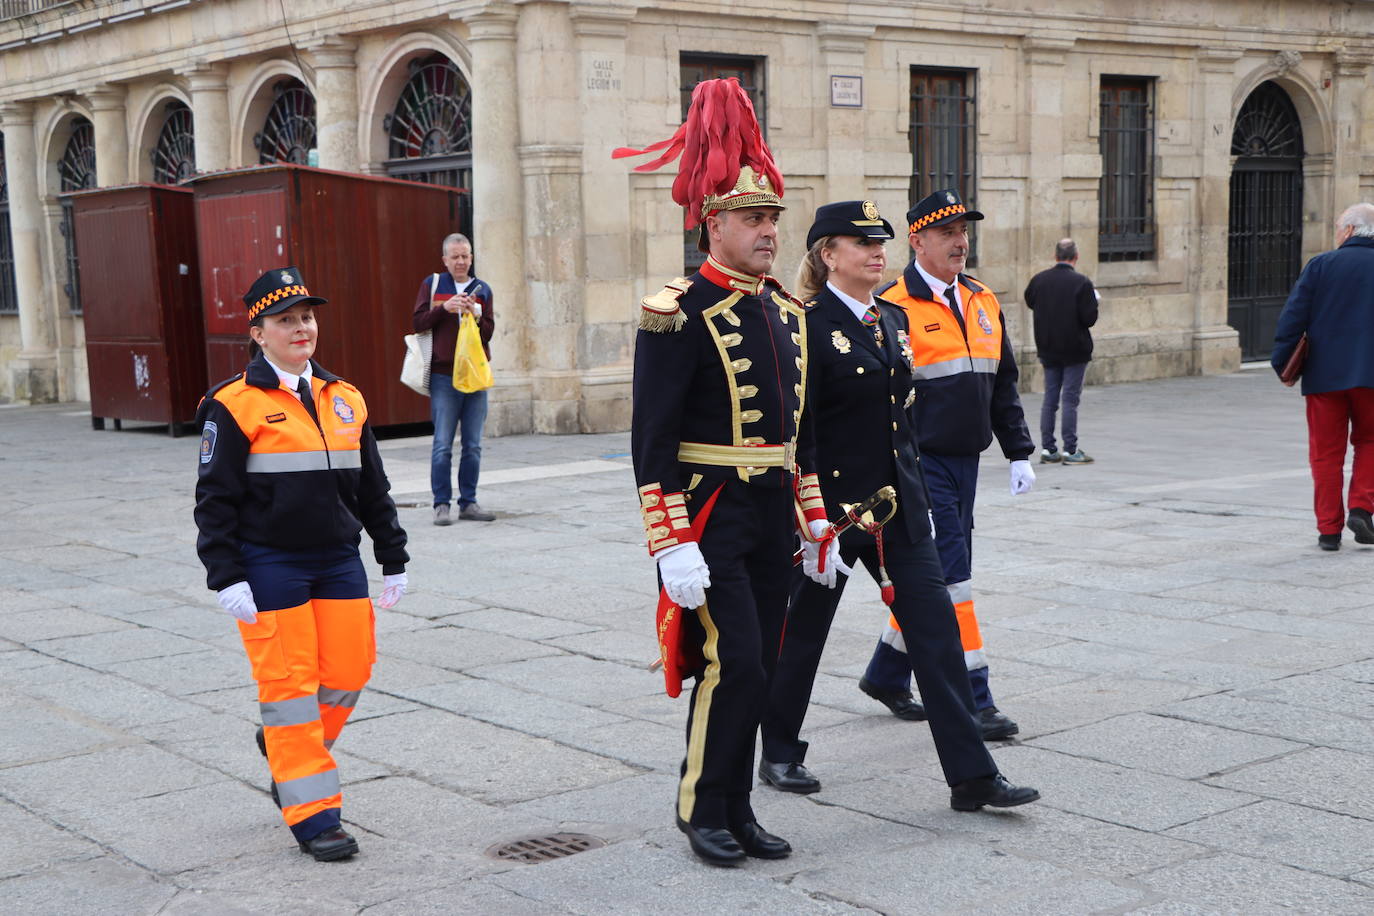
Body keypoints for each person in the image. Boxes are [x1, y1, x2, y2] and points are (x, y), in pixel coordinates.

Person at [615, 77, 840, 867]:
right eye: (753, 219)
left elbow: (800, 435)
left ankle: (739, 808)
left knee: (761, 666)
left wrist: (814, 522)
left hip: (773, 513)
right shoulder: (675, 311)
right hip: (710, 513)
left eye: (773, 219)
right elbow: (653, 438)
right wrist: (668, 541)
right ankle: (701, 807)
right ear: (713, 225)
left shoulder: (785, 311)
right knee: (732, 660)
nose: (768, 232)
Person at [757, 200, 1040, 813]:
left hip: (897, 512)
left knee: (936, 635)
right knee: (802, 634)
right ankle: (779, 749)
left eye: (880, 242)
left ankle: (972, 777)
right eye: (861, 244)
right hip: (831, 514)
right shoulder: (801, 324)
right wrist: (807, 521)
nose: (876, 252)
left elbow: (902, 422)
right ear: (828, 255)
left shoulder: (891, 319)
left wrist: (920, 499)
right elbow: (794, 430)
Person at [194, 267, 409, 862]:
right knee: (289, 689)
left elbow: (372, 489)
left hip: (338, 559)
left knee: (349, 670)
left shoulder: (345, 397)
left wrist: (393, 556)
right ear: (257, 333)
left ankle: (286, 748)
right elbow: (214, 501)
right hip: (270, 564)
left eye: (307, 317)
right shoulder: (232, 404)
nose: (301, 328)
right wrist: (226, 574)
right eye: (285, 320)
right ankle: (314, 815)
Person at [859, 189, 1036, 741]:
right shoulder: (892, 305)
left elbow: (1001, 381)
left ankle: (887, 674)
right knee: (953, 578)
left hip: (967, 462)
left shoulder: (983, 299)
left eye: (964, 231)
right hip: (918, 464)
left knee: (935, 579)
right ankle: (974, 698)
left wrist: (1019, 450)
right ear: (918, 241)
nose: (961, 242)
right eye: (948, 233)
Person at [1272, 202, 1374, 551]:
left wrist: (1282, 363)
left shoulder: (1322, 265)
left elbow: (1292, 318)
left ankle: (1328, 530)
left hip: (1325, 376)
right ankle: (1362, 507)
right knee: (1371, 442)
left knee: (1326, 453)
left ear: (1348, 231)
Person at [412, 232, 496, 525]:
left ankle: (469, 503)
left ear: (471, 258)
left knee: (473, 444)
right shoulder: (432, 285)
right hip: (443, 375)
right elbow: (418, 323)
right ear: (445, 259)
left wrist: (475, 314)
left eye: (465, 256)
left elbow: (488, 333)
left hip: (475, 375)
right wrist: (443, 309)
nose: (461, 261)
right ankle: (441, 505)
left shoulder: (482, 289)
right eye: (455, 257)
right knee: (443, 444)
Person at [1024, 238, 1099, 465]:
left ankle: (1049, 449)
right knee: (1070, 399)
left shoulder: (1039, 280)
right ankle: (1070, 449)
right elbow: (1090, 318)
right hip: (1075, 349)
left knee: (1050, 398)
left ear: (1055, 257)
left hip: (1048, 347)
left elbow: (1030, 301)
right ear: (1075, 257)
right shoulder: (1082, 283)